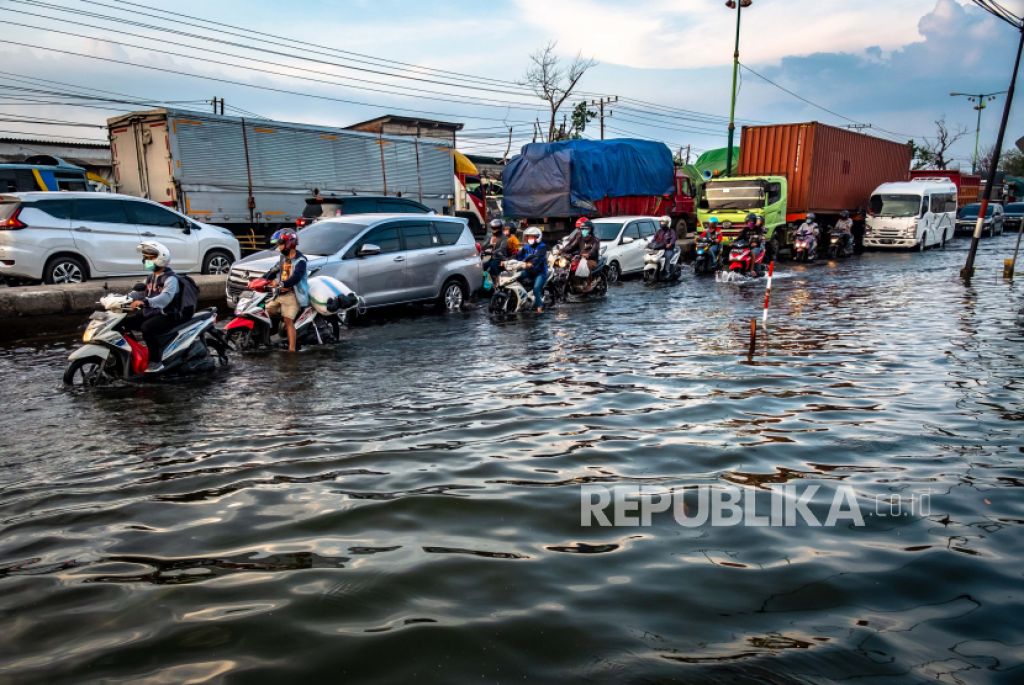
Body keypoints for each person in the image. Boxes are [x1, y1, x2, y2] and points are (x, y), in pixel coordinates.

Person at [127, 241, 181, 373]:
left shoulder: (171, 279)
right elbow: (141, 292)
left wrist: (145, 302)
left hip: (167, 314)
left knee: (147, 328)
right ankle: (134, 355)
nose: (146, 261)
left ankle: (156, 362)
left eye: (149, 259)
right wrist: (122, 299)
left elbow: (165, 299)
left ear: (160, 259)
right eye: (145, 258)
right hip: (152, 312)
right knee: (124, 323)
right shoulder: (151, 276)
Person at [263, 227, 309, 352]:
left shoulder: (301, 261)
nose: (279, 248)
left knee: (288, 320)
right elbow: (274, 270)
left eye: (281, 244)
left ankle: (292, 350)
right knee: (264, 312)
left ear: (290, 243)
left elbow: (296, 278)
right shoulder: (283, 258)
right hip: (279, 294)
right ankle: (273, 338)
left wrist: (280, 283)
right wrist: (262, 279)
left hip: (293, 295)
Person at [514, 226, 548, 314]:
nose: (530, 239)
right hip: (528, 271)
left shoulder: (542, 247)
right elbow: (519, 256)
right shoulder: (526, 247)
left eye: (532, 237)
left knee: (536, 288)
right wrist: (510, 260)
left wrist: (531, 263)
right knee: (515, 278)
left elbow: (538, 258)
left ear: (538, 237)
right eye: (528, 237)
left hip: (540, 272)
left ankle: (539, 308)